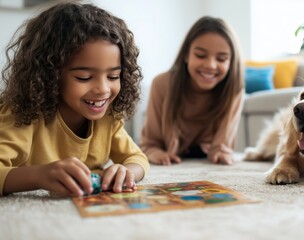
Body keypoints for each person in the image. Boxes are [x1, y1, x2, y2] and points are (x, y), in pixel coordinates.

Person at [0, 2, 149, 197]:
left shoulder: (109, 116)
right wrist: (39, 176)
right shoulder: (23, 112)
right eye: (84, 78)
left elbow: (137, 157)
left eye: (113, 77)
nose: (103, 89)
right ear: (50, 75)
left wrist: (127, 171)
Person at [140, 16, 244, 166]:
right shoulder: (161, 84)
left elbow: (223, 146)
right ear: (186, 55)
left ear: (231, 62)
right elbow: (150, 143)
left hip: (206, 158)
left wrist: (222, 152)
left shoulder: (234, 89)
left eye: (221, 59)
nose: (211, 65)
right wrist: (154, 152)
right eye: (200, 55)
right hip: (171, 159)